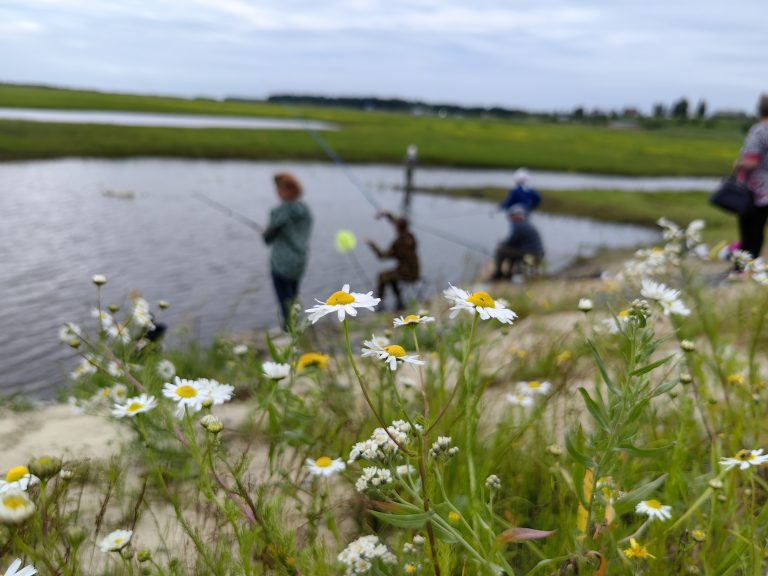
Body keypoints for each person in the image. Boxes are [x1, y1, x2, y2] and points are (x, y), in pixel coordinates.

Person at [262, 173, 313, 328]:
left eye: (278, 188)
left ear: (286, 190)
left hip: (281, 262)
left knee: (284, 297)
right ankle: (297, 325)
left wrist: (265, 232)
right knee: (293, 295)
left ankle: (289, 328)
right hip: (299, 260)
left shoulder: (279, 212)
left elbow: (268, 239)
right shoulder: (305, 211)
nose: (276, 191)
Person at [735, 94, 768, 263]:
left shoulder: (760, 130)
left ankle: (744, 269)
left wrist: (738, 164)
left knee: (750, 233)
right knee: (758, 232)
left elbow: (751, 162)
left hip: (756, 191)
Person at [365, 210, 420, 310]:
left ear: (397, 228)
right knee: (390, 276)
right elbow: (397, 222)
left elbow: (381, 256)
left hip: (407, 274)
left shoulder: (399, 244)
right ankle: (399, 302)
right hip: (415, 271)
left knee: (382, 276)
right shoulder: (411, 236)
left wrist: (370, 243)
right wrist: (386, 214)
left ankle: (379, 304)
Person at [492, 205, 545, 280]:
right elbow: (514, 242)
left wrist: (500, 243)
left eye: (512, 216)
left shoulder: (519, 226)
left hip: (532, 255)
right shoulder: (526, 223)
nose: (510, 218)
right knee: (512, 251)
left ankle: (498, 274)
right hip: (537, 254)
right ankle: (508, 274)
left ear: (517, 216)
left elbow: (510, 242)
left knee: (500, 250)